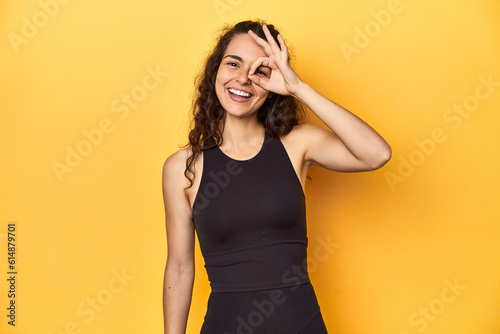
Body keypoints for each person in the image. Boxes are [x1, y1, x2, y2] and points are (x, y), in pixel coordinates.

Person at [162, 20, 391, 334]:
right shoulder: (183, 167)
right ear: (216, 70)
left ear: (274, 83)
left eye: (260, 71)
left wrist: (299, 88)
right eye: (233, 64)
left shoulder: (297, 144)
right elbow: (178, 267)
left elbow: (376, 154)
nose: (243, 78)